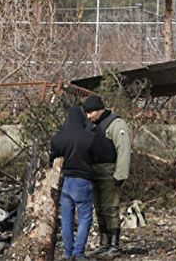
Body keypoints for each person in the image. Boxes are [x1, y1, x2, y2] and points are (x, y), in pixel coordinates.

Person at [83, 95, 132, 257]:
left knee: (110, 208)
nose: (89, 116)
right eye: (87, 113)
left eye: (91, 112)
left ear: (100, 110)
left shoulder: (116, 124)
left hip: (110, 171)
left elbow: (123, 151)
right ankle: (104, 243)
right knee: (99, 208)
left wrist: (120, 174)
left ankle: (114, 245)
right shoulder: (91, 125)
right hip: (94, 171)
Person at [50, 106, 96, 261]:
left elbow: (53, 156)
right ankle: (79, 253)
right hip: (83, 181)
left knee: (67, 220)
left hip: (66, 183)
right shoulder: (89, 137)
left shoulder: (59, 138)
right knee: (85, 217)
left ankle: (68, 253)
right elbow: (98, 156)